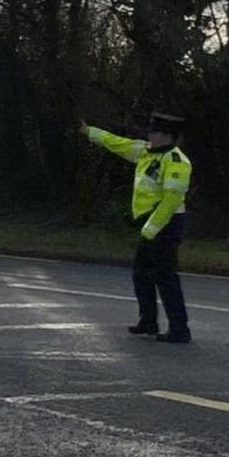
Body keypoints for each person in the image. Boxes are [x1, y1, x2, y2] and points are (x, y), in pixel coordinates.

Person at [80, 111, 193, 343]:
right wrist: (88, 131)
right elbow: (117, 144)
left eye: (153, 131)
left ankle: (179, 329)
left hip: (166, 223)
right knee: (142, 274)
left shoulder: (176, 162)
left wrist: (151, 229)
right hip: (149, 223)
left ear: (166, 136)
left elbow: (171, 200)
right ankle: (148, 321)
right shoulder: (145, 152)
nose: (149, 134)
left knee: (165, 276)